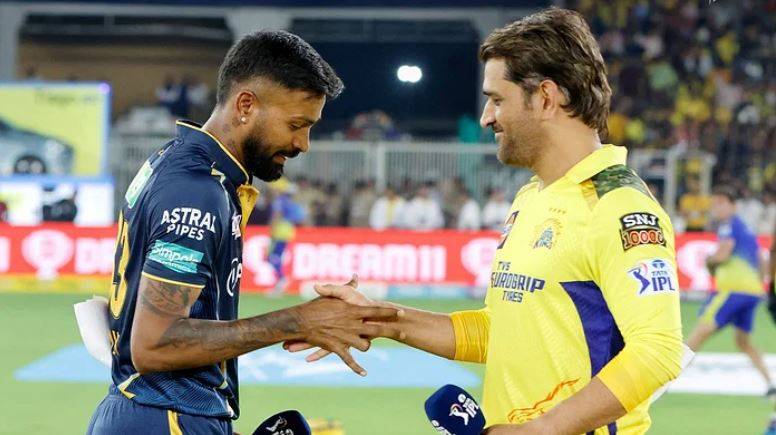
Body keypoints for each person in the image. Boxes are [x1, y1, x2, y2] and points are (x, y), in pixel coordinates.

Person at [287, 9, 683, 434]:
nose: (486, 118)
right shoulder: (533, 196)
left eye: (497, 99)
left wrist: (541, 430)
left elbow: (658, 350)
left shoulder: (617, 205)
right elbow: (499, 333)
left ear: (546, 98)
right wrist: (379, 319)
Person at [86, 30, 402, 435]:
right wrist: (299, 321)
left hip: (156, 413)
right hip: (164, 416)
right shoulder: (197, 192)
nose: (303, 143)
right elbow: (154, 344)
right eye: (296, 124)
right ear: (246, 105)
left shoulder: (181, 163)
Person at [686, 187, 774, 397]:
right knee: (743, 342)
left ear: (733, 205)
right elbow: (761, 259)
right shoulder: (746, 228)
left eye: (721, 203)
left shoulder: (729, 225)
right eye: (714, 203)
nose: (716, 208)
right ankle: (771, 384)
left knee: (699, 333)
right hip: (752, 293)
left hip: (732, 291)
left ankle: (663, 383)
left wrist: (709, 262)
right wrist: (761, 285)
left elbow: (722, 255)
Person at [267, 178, 305, 294]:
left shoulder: (279, 201)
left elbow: (277, 215)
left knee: (273, 256)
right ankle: (280, 281)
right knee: (275, 256)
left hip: (280, 232)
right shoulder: (287, 201)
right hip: (287, 231)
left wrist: (272, 227)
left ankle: (281, 279)